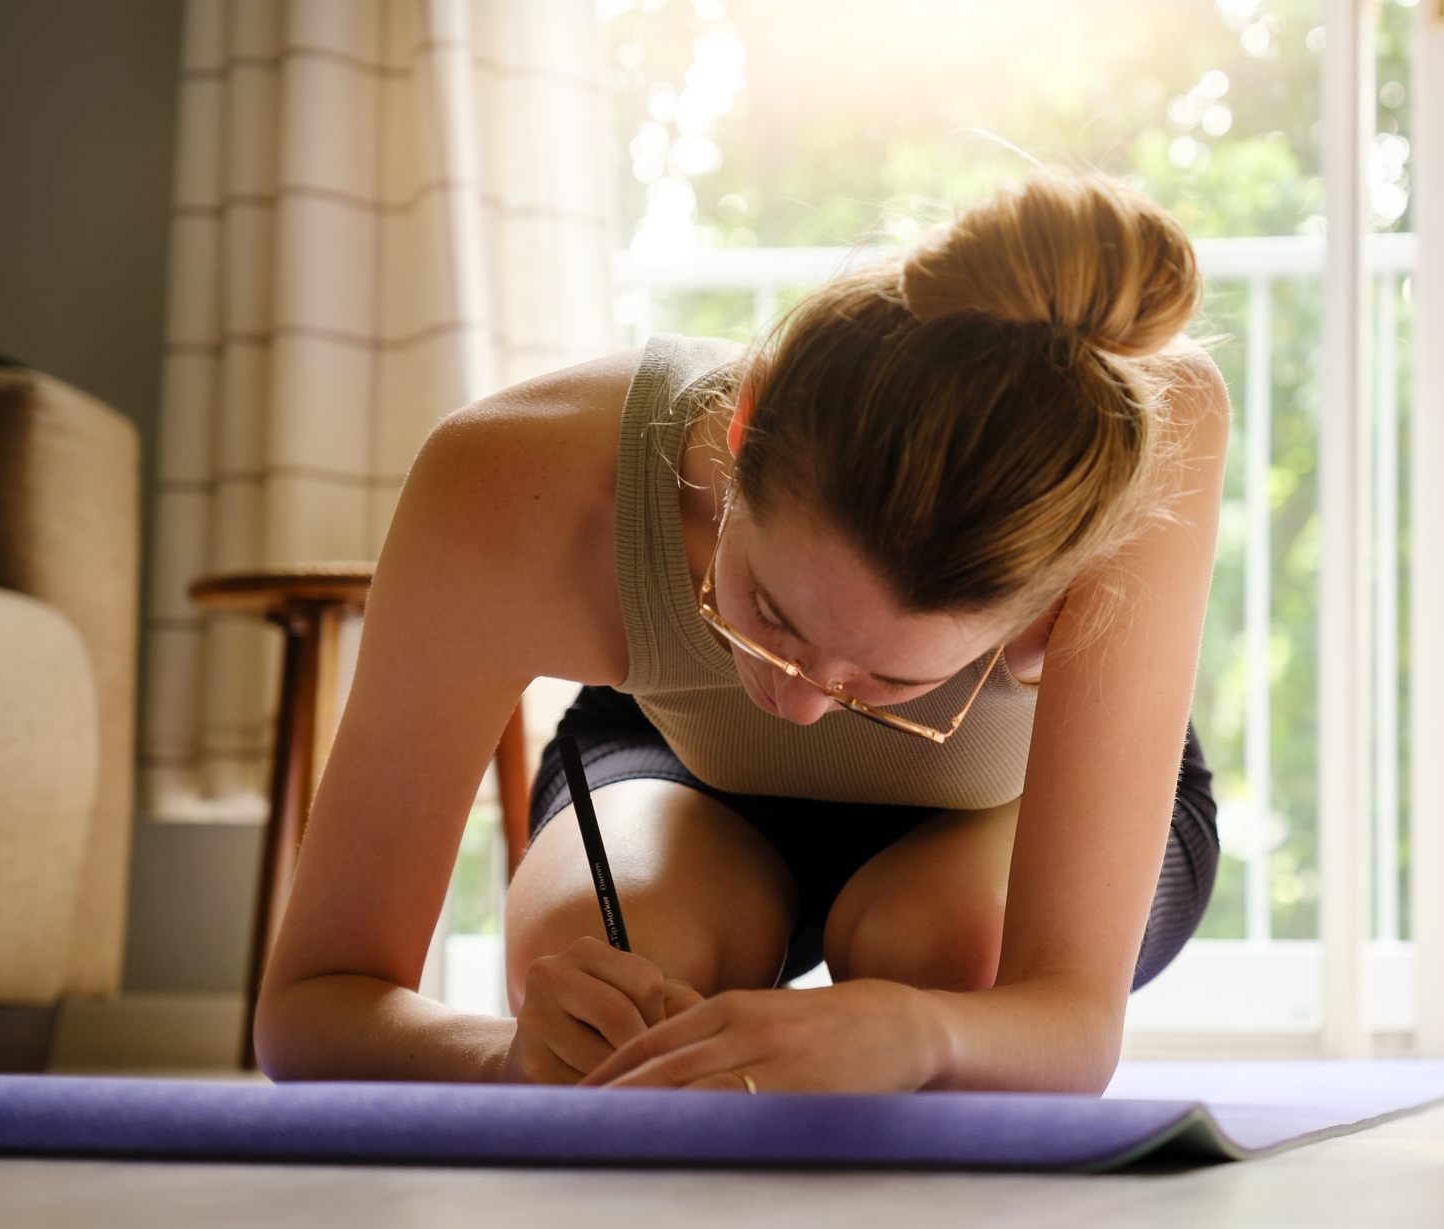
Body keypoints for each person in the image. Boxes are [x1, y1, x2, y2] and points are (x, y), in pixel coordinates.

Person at [255, 172, 1229, 1094]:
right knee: (607, 985)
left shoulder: (1134, 437)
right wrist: (506, 1061)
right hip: (680, 766)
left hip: (1005, 804)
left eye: (888, 679)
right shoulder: (510, 480)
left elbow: (1067, 1023)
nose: (802, 704)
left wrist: (920, 1033)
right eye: (767, 615)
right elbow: (309, 1006)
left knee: (943, 966)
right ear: (741, 420)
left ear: (1045, 607)